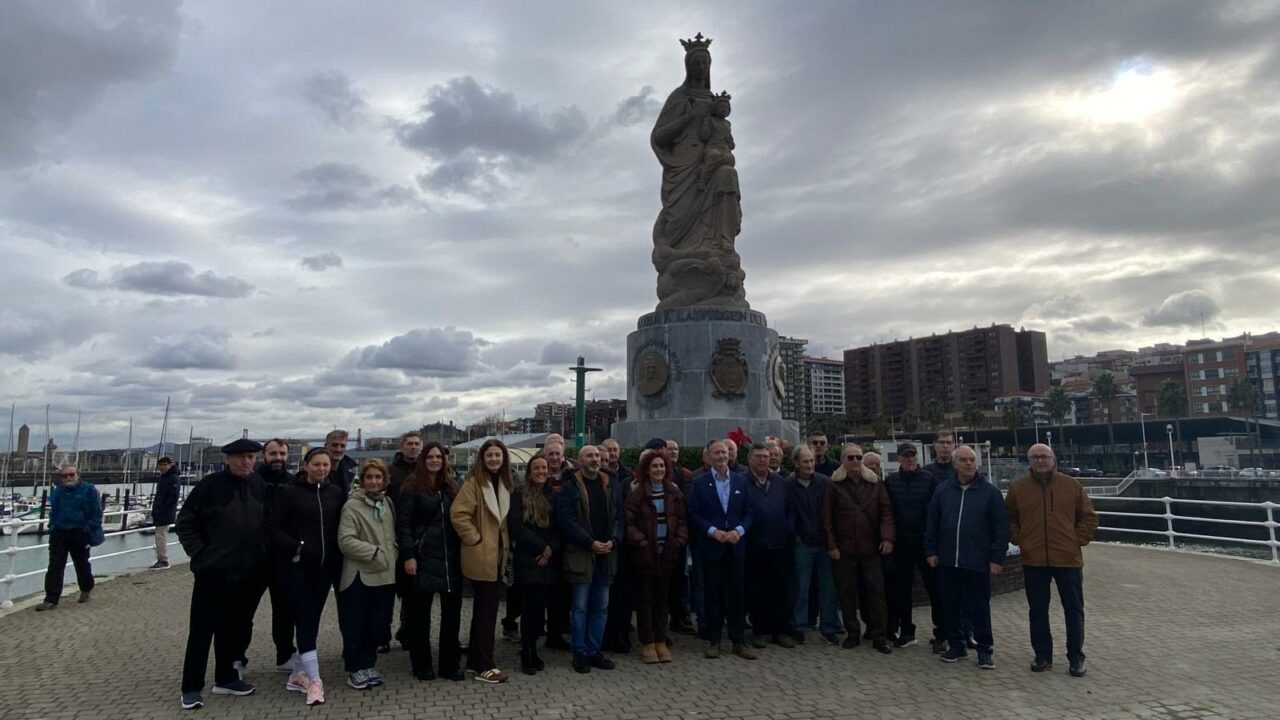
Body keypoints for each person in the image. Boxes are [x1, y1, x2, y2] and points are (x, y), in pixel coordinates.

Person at [176, 439, 268, 710]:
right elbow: (185, 523)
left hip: (248, 571)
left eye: (250, 457)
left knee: (234, 629)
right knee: (201, 632)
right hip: (212, 572)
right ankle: (191, 687)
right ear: (228, 459)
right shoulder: (209, 486)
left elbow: (267, 522)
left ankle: (226, 678)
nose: (245, 462)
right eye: (240, 457)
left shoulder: (258, 485)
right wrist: (201, 555)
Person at [1006, 444, 1098, 677]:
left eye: (1044, 456)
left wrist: (1078, 539)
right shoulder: (1018, 488)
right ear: (1029, 461)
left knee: (1074, 609)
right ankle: (1042, 655)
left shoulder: (1071, 485)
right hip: (1034, 559)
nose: (1040, 461)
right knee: (1037, 609)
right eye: (1035, 457)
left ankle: (1076, 657)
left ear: (1053, 459)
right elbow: (1009, 518)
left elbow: (1088, 516)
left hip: (1068, 558)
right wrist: (1020, 539)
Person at [269, 447, 345, 705]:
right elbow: (273, 528)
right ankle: (314, 680)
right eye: (316, 464)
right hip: (296, 568)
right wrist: (296, 547)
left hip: (324, 569)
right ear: (306, 465)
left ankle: (298, 674)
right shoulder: (289, 493)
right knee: (304, 619)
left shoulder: (335, 493)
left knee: (311, 619)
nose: (321, 469)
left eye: (325, 465)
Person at [925, 446, 1009, 670]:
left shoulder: (990, 493)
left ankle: (984, 649)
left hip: (977, 561)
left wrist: (997, 558)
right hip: (948, 561)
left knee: (979, 607)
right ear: (955, 464)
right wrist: (931, 551)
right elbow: (932, 523)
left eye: (972, 460)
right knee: (950, 605)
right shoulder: (943, 491)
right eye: (963, 460)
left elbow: (1000, 529)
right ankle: (956, 645)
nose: (968, 464)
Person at [396, 442, 465, 682]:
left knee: (451, 617)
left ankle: (449, 664)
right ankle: (422, 664)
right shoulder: (412, 486)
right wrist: (408, 555)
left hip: (450, 558)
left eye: (439, 457)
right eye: (430, 457)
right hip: (423, 557)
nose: (435, 460)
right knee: (419, 617)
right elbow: (403, 525)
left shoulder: (451, 486)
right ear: (423, 459)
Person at [555, 445, 623, 673]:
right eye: (590, 456)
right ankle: (579, 653)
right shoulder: (570, 486)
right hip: (582, 555)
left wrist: (614, 539)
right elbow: (565, 521)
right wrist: (589, 542)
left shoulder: (609, 484)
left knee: (601, 607)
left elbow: (619, 517)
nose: (595, 459)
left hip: (607, 555)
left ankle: (595, 651)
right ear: (580, 460)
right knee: (580, 608)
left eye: (597, 456)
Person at [451, 438, 514, 684]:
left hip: (498, 555)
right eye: (489, 456)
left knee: (484, 610)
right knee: (487, 611)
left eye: (498, 455)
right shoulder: (474, 482)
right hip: (481, 555)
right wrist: (475, 538)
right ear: (482, 458)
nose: (494, 459)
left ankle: (476, 660)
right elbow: (458, 514)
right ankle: (484, 665)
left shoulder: (506, 482)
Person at [823, 444, 895, 654]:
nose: (855, 461)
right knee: (847, 594)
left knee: (876, 593)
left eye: (858, 457)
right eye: (851, 458)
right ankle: (852, 632)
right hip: (845, 550)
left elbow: (887, 513)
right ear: (843, 461)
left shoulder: (875, 483)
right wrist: (832, 545)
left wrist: (888, 538)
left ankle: (879, 635)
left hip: (871, 548)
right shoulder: (833, 485)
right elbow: (827, 519)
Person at [688, 439, 755, 660]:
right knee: (713, 594)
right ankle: (714, 641)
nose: (721, 456)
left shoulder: (741, 481)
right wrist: (712, 531)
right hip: (712, 546)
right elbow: (694, 513)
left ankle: (738, 641)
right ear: (708, 457)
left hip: (735, 546)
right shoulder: (699, 483)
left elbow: (749, 512)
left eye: (724, 452)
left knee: (737, 594)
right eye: (716, 453)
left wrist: (739, 530)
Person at [337, 459, 397, 690]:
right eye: (369, 477)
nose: (374, 482)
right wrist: (375, 553)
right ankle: (354, 668)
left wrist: (394, 555)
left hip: (385, 575)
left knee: (377, 624)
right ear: (362, 480)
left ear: (384, 480)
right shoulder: (352, 506)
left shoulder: (387, 502)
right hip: (360, 575)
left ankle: (368, 664)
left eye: (378, 477)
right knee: (356, 625)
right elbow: (346, 541)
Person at [625, 449, 688, 664]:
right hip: (645, 555)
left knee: (663, 600)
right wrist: (642, 542)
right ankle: (648, 642)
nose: (659, 469)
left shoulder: (673, 492)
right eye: (654, 466)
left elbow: (681, 520)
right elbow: (629, 522)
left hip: (667, 555)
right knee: (645, 600)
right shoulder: (639, 492)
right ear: (647, 469)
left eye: (662, 466)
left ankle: (661, 640)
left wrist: (678, 541)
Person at [883, 443, 945, 652]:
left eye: (913, 455)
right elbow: (887, 512)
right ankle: (907, 631)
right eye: (906, 456)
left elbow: (937, 512)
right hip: (902, 545)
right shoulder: (890, 482)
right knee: (902, 591)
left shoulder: (929, 479)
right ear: (899, 458)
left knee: (935, 590)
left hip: (925, 544)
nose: (910, 459)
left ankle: (941, 633)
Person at [508, 454, 559, 674]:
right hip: (528, 558)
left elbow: (561, 526)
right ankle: (527, 651)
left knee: (540, 609)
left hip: (549, 559)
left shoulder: (555, 495)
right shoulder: (519, 495)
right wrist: (542, 547)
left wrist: (551, 548)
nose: (540, 471)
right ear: (530, 472)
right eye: (536, 468)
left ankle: (534, 648)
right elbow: (517, 527)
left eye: (544, 468)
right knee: (529, 608)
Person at [785, 446, 840, 645]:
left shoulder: (824, 482)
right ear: (796, 463)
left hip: (824, 543)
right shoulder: (788, 485)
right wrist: (796, 535)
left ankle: (829, 627)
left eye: (812, 461)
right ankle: (799, 626)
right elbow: (787, 512)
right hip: (802, 543)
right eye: (806, 461)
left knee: (828, 587)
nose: (810, 465)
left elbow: (832, 510)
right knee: (801, 586)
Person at [743, 443, 794, 649]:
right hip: (755, 545)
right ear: (749, 459)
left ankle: (780, 630)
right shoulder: (741, 482)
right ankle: (760, 631)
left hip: (780, 544)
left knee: (781, 588)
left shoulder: (781, 482)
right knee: (757, 589)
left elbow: (790, 509)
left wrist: (788, 529)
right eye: (758, 456)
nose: (763, 459)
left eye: (766, 456)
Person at [253, 439, 297, 672]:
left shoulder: (292, 483)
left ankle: (285, 654)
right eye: (273, 453)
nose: (278, 457)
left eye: (282, 453)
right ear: (263, 455)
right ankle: (236, 658)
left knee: (284, 609)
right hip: (254, 556)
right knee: (243, 610)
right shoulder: (252, 482)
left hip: (282, 556)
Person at [36, 465, 103, 611]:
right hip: (59, 532)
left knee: (82, 564)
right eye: (65, 476)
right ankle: (51, 599)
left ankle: (86, 588)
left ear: (78, 475)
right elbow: (54, 511)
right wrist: (52, 526)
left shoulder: (89, 490)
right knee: (54, 566)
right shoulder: (58, 492)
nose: (68, 478)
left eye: (71, 475)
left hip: (80, 532)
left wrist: (88, 529)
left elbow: (96, 512)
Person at [601, 438, 636, 654]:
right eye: (603, 456)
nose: (608, 458)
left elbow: (621, 515)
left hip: (619, 547)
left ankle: (620, 636)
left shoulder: (625, 480)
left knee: (621, 598)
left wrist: (616, 539)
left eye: (613, 452)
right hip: (597, 548)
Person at [542, 439, 574, 651]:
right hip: (542, 542)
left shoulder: (571, 477)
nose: (554, 458)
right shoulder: (537, 474)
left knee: (561, 592)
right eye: (550, 454)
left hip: (566, 542)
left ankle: (556, 632)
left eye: (558, 454)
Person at [662, 438, 696, 634]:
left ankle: (680, 615)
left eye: (676, 449)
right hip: (658, 538)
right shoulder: (654, 474)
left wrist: (681, 534)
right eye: (670, 449)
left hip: (679, 537)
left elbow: (687, 506)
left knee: (681, 578)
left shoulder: (684, 475)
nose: (673, 452)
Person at [149, 457, 180, 570]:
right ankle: (160, 558)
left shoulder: (173, 478)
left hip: (165, 512)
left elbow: (173, 496)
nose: (162, 467)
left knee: (160, 536)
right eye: (160, 465)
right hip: (159, 511)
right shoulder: (164, 477)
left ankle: (163, 560)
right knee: (159, 536)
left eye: (164, 465)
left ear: (169, 465)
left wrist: (163, 508)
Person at [387, 431, 422, 501]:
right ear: (402, 447)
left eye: (417, 444)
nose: (414, 447)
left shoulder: (425, 470)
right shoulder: (389, 471)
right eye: (410, 444)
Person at [325, 430, 358, 496]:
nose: (338, 450)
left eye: (342, 446)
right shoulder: (316, 471)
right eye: (334, 445)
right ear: (326, 446)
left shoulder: (350, 473)